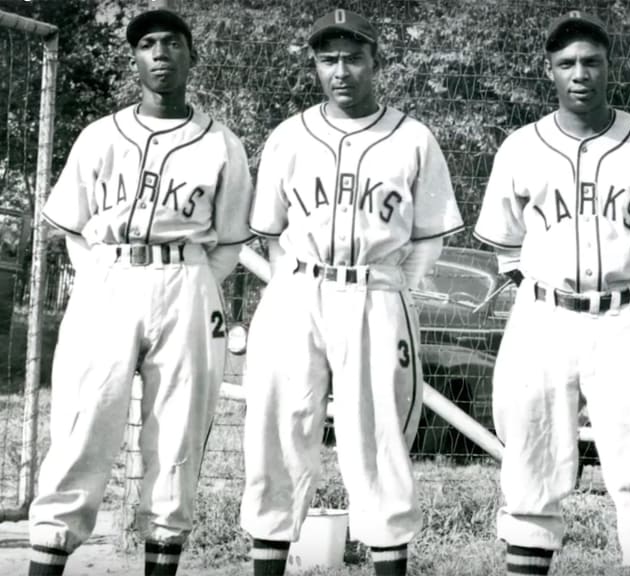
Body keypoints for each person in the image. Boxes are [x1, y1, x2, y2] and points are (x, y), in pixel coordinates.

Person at [27, 1, 253, 575]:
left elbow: (228, 242)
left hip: (186, 282)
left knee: (176, 435)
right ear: (135, 59)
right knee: (82, 423)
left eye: (172, 43)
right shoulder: (100, 134)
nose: (160, 54)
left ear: (191, 56)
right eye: (149, 44)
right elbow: (72, 227)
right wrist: (101, 275)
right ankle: (47, 555)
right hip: (107, 280)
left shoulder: (221, 143)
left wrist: (191, 279)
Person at [473, 10, 630, 576]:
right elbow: (506, 250)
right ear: (549, 71)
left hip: (629, 318)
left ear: (609, 68)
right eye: (566, 63)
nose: (580, 73)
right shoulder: (521, 146)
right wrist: (546, 295)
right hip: (543, 318)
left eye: (591, 62)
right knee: (530, 466)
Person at [239, 8, 464, 576]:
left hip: (376, 292)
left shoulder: (413, 138)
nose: (341, 70)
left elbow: (427, 241)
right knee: (279, 430)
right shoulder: (289, 135)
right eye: (328, 59)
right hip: (298, 291)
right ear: (316, 65)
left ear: (375, 62)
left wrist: (389, 291)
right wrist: (295, 288)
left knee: (381, 438)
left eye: (353, 57)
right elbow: (270, 233)